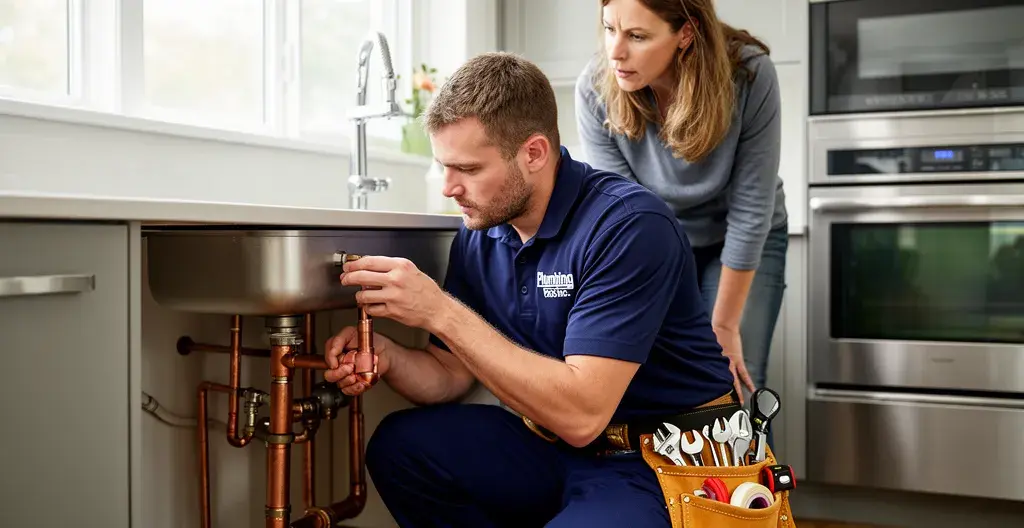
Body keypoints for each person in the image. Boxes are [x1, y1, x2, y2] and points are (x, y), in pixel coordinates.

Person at [323, 51, 738, 527]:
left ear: (534, 153)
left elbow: (583, 415)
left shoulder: (629, 227)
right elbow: (449, 373)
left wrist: (439, 311)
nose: (449, 188)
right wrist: (391, 357)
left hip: (665, 460)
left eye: (470, 169)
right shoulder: (482, 232)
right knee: (403, 447)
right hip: (555, 446)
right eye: (445, 167)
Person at [575, 0, 789, 406]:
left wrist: (724, 325)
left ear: (685, 34)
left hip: (743, 237)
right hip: (660, 239)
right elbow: (628, 216)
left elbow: (751, 209)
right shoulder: (595, 88)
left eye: (637, 36)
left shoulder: (750, 74)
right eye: (609, 28)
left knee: (735, 382)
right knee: (677, 381)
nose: (615, 51)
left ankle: (754, 473)